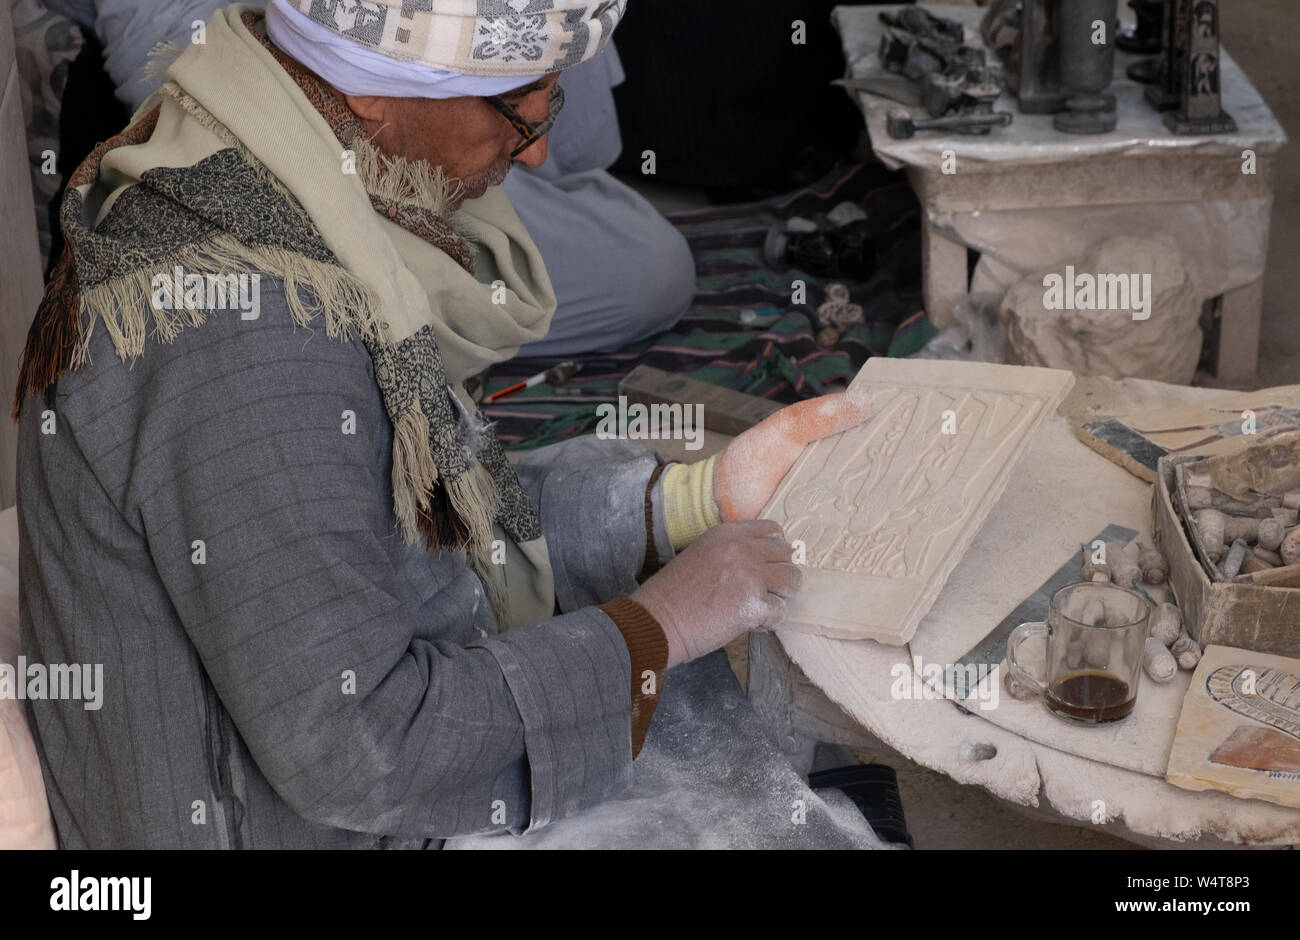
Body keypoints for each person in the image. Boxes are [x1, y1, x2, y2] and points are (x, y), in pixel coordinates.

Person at [13, 1, 873, 849]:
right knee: (747, 781)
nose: (535, 150)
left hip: (323, 751)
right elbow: (360, 753)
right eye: (516, 108)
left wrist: (699, 496)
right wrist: (659, 629)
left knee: (655, 548)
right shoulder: (248, 334)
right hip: (299, 822)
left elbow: (403, 500)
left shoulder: (282, 165)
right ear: (376, 90)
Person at [84, 0, 694, 357]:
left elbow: (578, 145)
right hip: (321, 121)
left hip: (392, 97)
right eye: (521, 103)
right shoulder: (275, 321)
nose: (534, 153)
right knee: (651, 269)